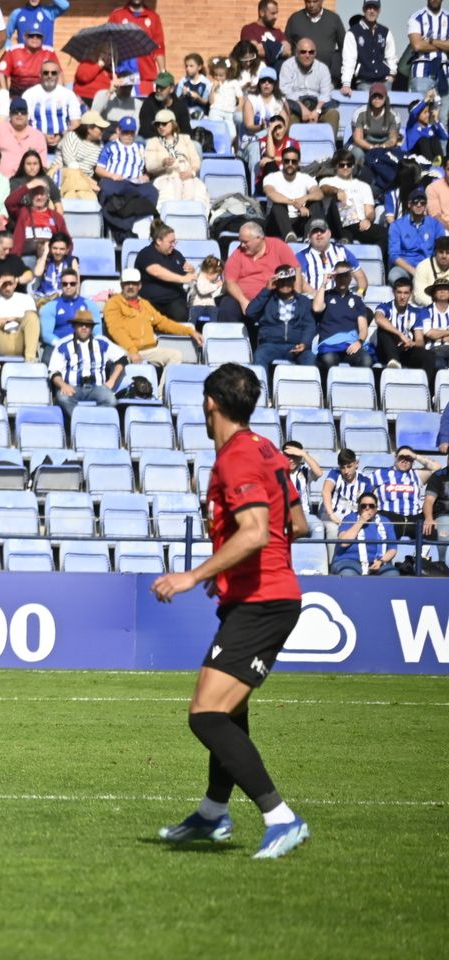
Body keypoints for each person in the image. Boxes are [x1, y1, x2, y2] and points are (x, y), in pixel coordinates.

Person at [150, 363, 310, 858]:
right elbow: (298, 525)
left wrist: (192, 575)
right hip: (257, 596)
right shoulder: (267, 450)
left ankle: (280, 817)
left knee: (206, 714)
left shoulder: (237, 457)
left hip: (264, 603)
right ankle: (213, 813)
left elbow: (257, 532)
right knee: (230, 712)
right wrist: (231, 569)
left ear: (209, 404)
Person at [104, 267, 202, 367]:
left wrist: (190, 331)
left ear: (140, 286)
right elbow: (116, 330)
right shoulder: (113, 303)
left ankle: (164, 383)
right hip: (125, 350)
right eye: (127, 283)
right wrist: (132, 350)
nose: (130, 286)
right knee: (124, 358)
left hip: (148, 350)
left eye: (134, 283)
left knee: (175, 355)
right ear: (121, 285)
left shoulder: (144, 304)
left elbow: (163, 323)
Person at [49, 309, 125, 420]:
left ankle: (92, 421)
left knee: (111, 400)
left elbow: (122, 359)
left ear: (92, 327)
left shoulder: (102, 342)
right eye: (80, 324)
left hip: (97, 387)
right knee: (63, 398)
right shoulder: (63, 344)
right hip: (73, 388)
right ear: (74, 326)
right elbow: (54, 371)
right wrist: (63, 385)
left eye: (88, 325)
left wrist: (112, 380)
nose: (84, 327)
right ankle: (81, 421)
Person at [245, 265, 318, 368]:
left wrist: (304, 343)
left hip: (295, 345)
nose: (285, 284)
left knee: (309, 358)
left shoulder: (303, 301)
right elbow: (250, 312)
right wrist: (266, 290)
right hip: (270, 345)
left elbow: (309, 325)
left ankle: (307, 384)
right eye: (282, 280)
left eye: (288, 280)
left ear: (293, 281)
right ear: (276, 281)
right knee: (259, 356)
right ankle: (260, 384)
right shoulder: (267, 298)